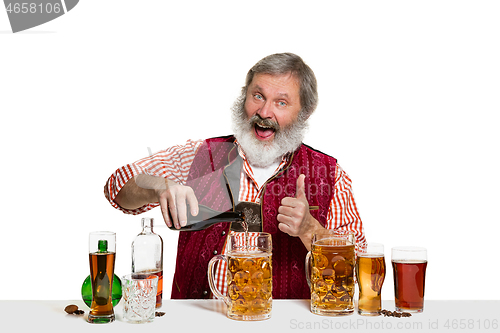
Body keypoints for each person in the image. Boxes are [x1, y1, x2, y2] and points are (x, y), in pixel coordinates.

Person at [104, 53, 366, 299]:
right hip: (197, 322)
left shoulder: (330, 174)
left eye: (281, 102)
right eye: (258, 96)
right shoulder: (201, 154)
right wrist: (158, 186)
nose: (264, 113)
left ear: (305, 113)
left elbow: (357, 273)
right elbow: (117, 186)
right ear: (244, 98)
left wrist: (310, 230)